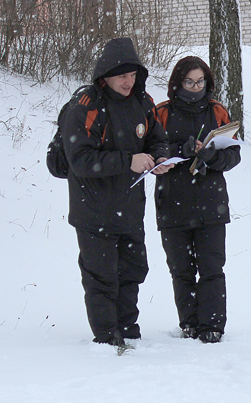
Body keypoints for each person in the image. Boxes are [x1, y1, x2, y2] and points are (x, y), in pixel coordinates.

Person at [61, 38, 171, 348]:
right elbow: (80, 160)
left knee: (133, 270)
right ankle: (108, 338)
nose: (128, 81)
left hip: (130, 206)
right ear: (105, 75)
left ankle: (128, 330)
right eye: (121, 75)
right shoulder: (86, 105)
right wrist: (129, 161)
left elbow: (156, 138)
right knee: (102, 276)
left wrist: (159, 157)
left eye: (133, 74)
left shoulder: (143, 101)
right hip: (92, 208)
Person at [153, 56, 241, 343]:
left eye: (200, 81)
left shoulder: (217, 111)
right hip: (173, 202)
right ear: (178, 83)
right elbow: (151, 151)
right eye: (189, 82)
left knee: (212, 267)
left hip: (211, 203)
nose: (195, 87)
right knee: (181, 269)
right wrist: (179, 148)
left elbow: (233, 155)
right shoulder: (161, 112)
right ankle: (189, 322)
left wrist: (211, 156)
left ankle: (213, 325)